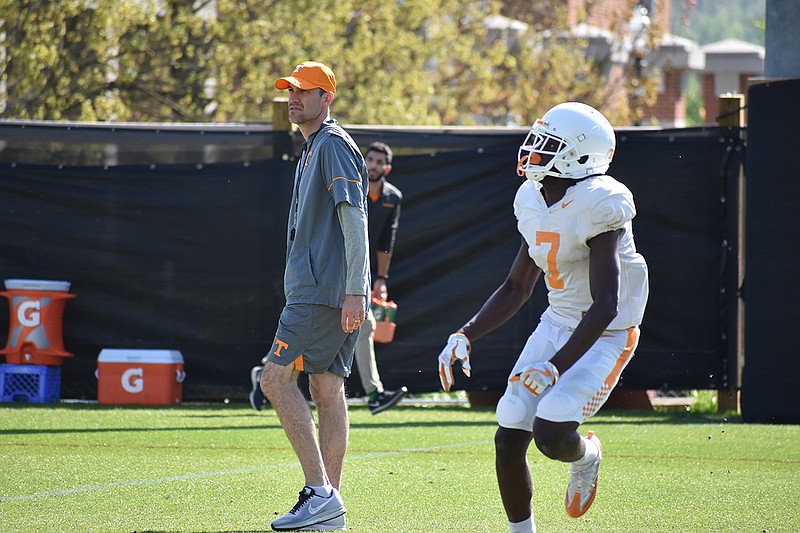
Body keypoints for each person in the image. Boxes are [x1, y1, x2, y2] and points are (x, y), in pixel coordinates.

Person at [437, 102, 648, 533]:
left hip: (606, 333)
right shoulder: (531, 198)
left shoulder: (600, 202)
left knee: (551, 431)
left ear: (581, 155)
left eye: (548, 144)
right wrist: (466, 334)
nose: (534, 149)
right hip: (559, 322)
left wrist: (553, 367)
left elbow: (606, 303)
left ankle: (587, 455)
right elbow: (517, 286)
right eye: (537, 139)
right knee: (510, 424)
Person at [259, 61, 369, 532]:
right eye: (291, 90)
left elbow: (355, 220)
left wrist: (356, 291)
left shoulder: (332, 146)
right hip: (327, 291)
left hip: (322, 293)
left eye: (305, 91)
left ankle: (319, 493)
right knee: (326, 388)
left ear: (328, 98)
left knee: (274, 381)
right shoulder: (313, 147)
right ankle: (331, 507)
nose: (294, 97)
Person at [355, 141, 408, 414]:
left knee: (365, 326)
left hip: (360, 270)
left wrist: (381, 278)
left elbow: (387, 240)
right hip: (333, 266)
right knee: (317, 325)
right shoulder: (351, 187)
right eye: (370, 160)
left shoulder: (392, 197)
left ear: (387, 167)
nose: (373, 166)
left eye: (378, 162)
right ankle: (269, 373)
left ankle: (374, 394)